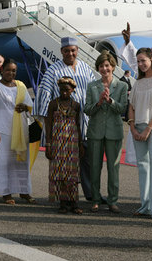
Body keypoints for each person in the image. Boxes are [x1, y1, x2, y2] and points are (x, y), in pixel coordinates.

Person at [33, 36, 96, 201]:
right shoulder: (53, 70)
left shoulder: (86, 68)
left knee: (87, 162)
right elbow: (44, 99)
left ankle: (90, 194)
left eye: (73, 50)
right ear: (61, 51)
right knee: (63, 164)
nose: (70, 53)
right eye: (67, 50)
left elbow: (94, 91)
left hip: (84, 124)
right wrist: (48, 137)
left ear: (77, 51)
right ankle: (65, 198)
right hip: (62, 128)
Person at [118, 24, 152, 220]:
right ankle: (145, 205)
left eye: (144, 61)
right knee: (143, 166)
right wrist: (132, 126)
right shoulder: (137, 83)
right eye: (138, 61)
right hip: (137, 127)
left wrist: (148, 129)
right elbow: (131, 106)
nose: (141, 64)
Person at [84, 51, 128, 213]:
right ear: (98, 68)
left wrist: (110, 101)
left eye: (107, 66)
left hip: (114, 132)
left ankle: (113, 200)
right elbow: (87, 109)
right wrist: (99, 102)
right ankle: (95, 199)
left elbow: (122, 109)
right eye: (101, 66)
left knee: (113, 168)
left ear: (113, 67)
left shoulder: (122, 86)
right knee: (95, 167)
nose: (104, 69)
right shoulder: (92, 86)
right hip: (95, 132)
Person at [0, 58, 36, 205]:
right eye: (8, 70)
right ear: (2, 70)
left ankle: (24, 192)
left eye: (14, 70)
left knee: (21, 161)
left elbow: (31, 106)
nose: (11, 73)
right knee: (4, 161)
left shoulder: (21, 86)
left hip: (20, 129)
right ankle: (6, 193)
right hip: (2, 129)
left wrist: (25, 107)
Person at [45, 77, 83, 214]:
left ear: (73, 90)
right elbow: (48, 123)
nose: (64, 93)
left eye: (67, 90)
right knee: (60, 173)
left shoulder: (76, 105)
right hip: (57, 143)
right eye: (62, 90)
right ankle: (63, 203)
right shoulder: (53, 104)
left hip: (72, 144)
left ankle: (74, 202)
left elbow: (78, 125)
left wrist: (80, 144)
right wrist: (48, 144)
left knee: (72, 174)